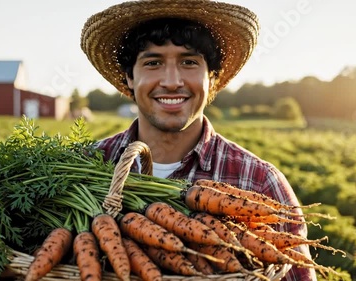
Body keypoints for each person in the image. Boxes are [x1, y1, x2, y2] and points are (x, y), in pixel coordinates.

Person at [80, 1, 316, 280]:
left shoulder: (261, 183)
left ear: (212, 78)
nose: (171, 81)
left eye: (189, 62)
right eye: (153, 63)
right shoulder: (81, 166)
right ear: (130, 77)